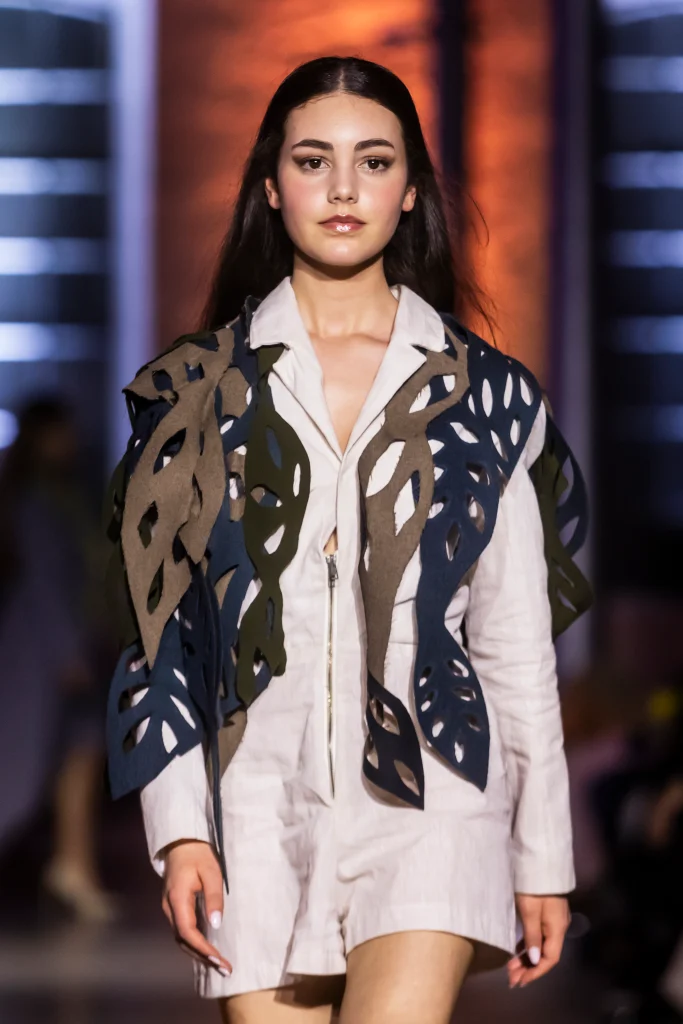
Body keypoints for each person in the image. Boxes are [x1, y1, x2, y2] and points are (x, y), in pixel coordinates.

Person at [104, 56, 592, 1023]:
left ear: (409, 191)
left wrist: (543, 857)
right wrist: (179, 831)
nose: (341, 188)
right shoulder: (196, 394)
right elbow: (165, 638)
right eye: (312, 161)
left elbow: (512, 643)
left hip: (433, 801)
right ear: (270, 186)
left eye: (373, 162)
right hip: (256, 805)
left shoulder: (481, 397)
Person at [0, 397, 118, 922]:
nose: (71, 441)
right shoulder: (33, 500)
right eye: (61, 433)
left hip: (76, 643)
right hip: (42, 651)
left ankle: (74, 865)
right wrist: (68, 650)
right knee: (20, 769)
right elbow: (44, 584)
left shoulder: (68, 494)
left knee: (84, 749)